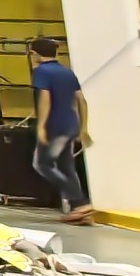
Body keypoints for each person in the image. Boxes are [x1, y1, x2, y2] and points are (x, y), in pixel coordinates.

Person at [27, 36, 92, 223]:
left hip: (54, 126)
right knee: (66, 166)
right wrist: (83, 127)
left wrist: (41, 126)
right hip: (71, 124)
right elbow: (81, 100)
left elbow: (45, 99)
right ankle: (79, 212)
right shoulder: (67, 72)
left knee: (43, 164)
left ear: (35, 54)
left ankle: (79, 201)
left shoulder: (41, 72)